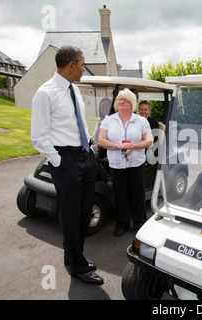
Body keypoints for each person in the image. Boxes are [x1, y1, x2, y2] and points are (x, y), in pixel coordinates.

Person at [31, 45, 103, 285]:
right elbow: (38, 137)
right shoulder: (45, 93)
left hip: (85, 156)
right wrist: (59, 162)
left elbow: (77, 123)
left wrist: (90, 149)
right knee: (71, 215)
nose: (84, 69)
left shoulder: (74, 89)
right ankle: (78, 267)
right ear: (71, 64)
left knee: (83, 212)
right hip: (66, 160)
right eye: (82, 65)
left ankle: (73, 257)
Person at [98, 89, 153, 236]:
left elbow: (149, 140)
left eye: (124, 100)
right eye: (119, 99)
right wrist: (118, 146)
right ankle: (122, 224)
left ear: (131, 103)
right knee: (120, 196)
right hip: (117, 166)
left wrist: (132, 146)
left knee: (138, 195)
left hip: (136, 164)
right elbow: (101, 141)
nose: (121, 102)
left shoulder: (141, 121)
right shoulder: (109, 120)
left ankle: (139, 223)